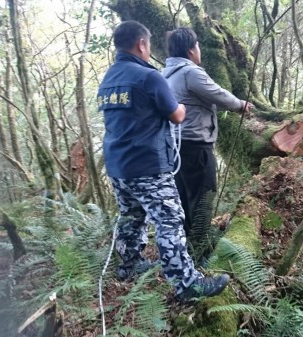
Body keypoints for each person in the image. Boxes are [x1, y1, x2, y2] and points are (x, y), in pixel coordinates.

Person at [97, 20, 229, 300]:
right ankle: (188, 284)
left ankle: (128, 266)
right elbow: (177, 115)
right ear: (142, 44)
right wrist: (180, 106)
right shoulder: (148, 77)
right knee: (170, 221)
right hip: (148, 165)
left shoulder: (109, 78)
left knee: (132, 217)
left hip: (118, 166)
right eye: (147, 46)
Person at [162, 28, 253, 264]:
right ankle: (200, 253)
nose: (200, 50)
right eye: (198, 45)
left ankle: (187, 248)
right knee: (204, 195)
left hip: (177, 146)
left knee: (185, 197)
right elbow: (218, 94)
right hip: (196, 145)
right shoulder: (190, 72)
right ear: (191, 49)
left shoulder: (167, 73)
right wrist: (240, 104)